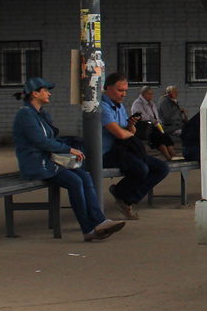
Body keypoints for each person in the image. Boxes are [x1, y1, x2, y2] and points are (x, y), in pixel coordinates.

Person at [12, 77, 125, 242]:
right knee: (75, 182)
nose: (49, 94)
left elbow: (53, 138)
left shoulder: (42, 114)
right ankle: (87, 229)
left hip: (49, 161)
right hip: (36, 164)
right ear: (35, 94)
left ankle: (100, 221)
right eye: (46, 90)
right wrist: (69, 149)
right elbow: (41, 142)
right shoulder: (25, 115)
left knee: (85, 177)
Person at [102, 73, 170, 220]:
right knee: (141, 168)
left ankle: (125, 198)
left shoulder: (118, 106)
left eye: (125, 91)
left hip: (123, 150)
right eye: (120, 90)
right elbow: (119, 134)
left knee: (162, 168)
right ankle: (122, 195)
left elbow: (128, 131)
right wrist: (130, 134)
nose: (123, 94)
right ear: (108, 88)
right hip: (106, 153)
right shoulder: (103, 107)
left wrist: (131, 126)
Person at [131, 85, 176, 161]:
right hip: (143, 127)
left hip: (153, 126)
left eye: (151, 94)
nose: (151, 96)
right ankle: (168, 156)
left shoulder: (151, 104)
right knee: (158, 136)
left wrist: (158, 122)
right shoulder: (138, 103)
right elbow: (143, 116)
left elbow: (156, 115)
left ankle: (173, 154)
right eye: (148, 94)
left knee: (165, 136)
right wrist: (154, 121)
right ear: (143, 94)